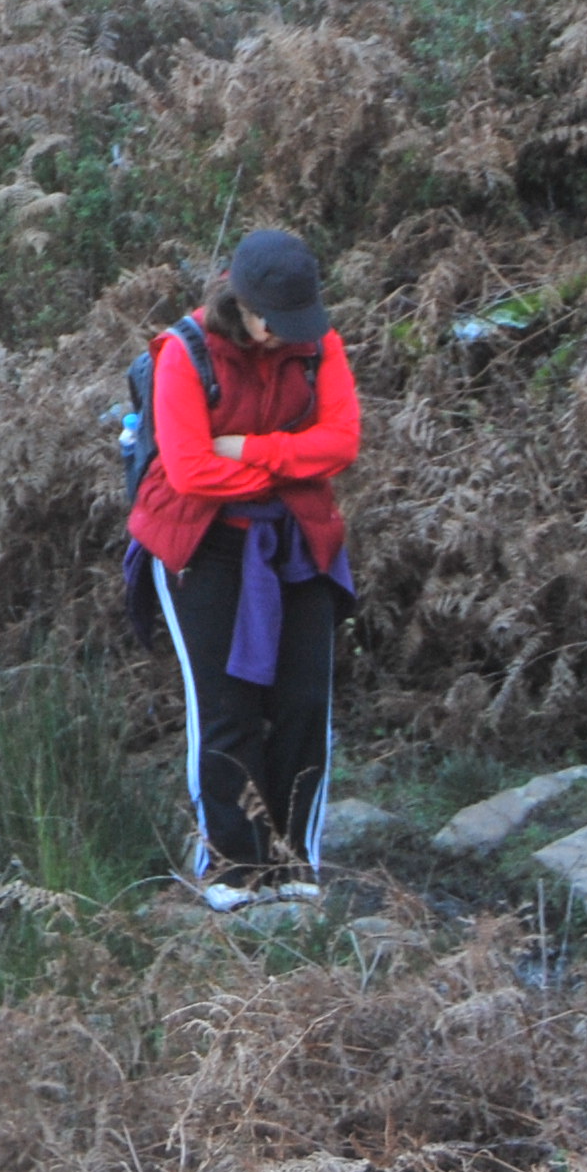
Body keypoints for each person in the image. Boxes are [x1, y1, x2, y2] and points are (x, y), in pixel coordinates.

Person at [126, 230, 361, 909]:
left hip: (296, 542)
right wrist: (291, 463)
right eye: (273, 324)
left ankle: (292, 864)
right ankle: (232, 867)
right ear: (242, 303)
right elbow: (191, 471)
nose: (287, 336)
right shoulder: (183, 353)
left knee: (302, 704)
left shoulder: (319, 346)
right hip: (201, 545)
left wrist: (251, 450)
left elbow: (342, 442)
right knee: (226, 708)